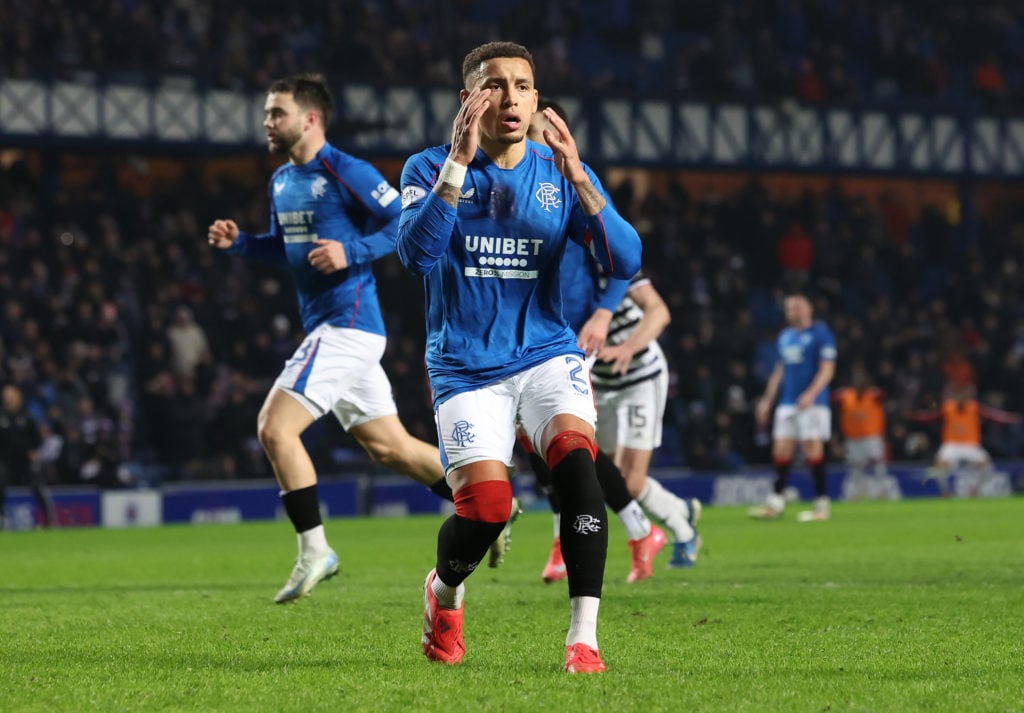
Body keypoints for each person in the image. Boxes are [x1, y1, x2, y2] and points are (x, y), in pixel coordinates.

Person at [396, 42, 641, 672]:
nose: (510, 98)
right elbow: (417, 256)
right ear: (468, 101)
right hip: (465, 366)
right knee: (487, 511)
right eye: (495, 86)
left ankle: (583, 638)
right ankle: (443, 593)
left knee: (576, 465)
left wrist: (583, 179)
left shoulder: (557, 171)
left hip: (545, 354)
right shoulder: (426, 167)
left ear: (537, 98)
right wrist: (457, 163)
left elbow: (625, 261)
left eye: (523, 86)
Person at [207, 73, 463, 604]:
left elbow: (405, 223)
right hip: (335, 330)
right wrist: (240, 246)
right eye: (267, 114)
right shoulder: (281, 181)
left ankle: (315, 550)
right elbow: (286, 248)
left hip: (347, 324)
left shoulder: (346, 170)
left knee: (275, 429)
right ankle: (483, 501)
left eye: (277, 113)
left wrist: (352, 252)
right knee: (389, 447)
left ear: (310, 118)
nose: (267, 122)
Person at [523, 99, 702, 585]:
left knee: (606, 469)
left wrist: (607, 320)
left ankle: (674, 525)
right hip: (564, 351)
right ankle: (628, 533)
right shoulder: (516, 192)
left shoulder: (582, 207)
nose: (534, 142)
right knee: (559, 453)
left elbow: (634, 271)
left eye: (542, 132)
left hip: (636, 371)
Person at [750, 293, 836, 521]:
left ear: (809, 308)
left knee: (812, 450)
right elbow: (780, 371)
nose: (793, 312)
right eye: (789, 308)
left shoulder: (821, 334)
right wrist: (767, 400)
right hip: (788, 402)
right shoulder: (785, 337)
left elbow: (827, 369)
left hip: (813, 403)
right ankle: (775, 503)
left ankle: (821, 506)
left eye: (797, 307)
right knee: (780, 450)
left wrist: (811, 394)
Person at [907, 385, 1020, 497]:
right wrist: (915, 416)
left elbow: (993, 416)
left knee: (986, 465)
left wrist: (1010, 418)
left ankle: (975, 490)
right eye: (958, 395)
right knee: (940, 465)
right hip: (952, 443)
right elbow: (931, 417)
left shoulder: (974, 407)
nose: (961, 398)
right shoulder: (948, 408)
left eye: (964, 395)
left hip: (970, 444)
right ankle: (945, 492)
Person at [831, 368, 892, 500]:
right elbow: (833, 398)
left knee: (879, 465)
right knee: (855, 469)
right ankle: (855, 495)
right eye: (856, 380)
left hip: (872, 437)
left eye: (861, 380)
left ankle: (883, 493)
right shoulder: (846, 395)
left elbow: (885, 393)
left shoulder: (874, 395)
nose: (859, 382)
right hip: (853, 439)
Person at [0, 383, 53, 530]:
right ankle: (2, 519)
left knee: (37, 483)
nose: (7, 398)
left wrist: (35, 450)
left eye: (11, 395)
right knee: (0, 480)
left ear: (19, 397)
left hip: (25, 461)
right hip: (5, 461)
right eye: (6, 396)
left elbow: (37, 438)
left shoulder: (28, 417)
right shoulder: (1, 417)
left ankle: (48, 520)